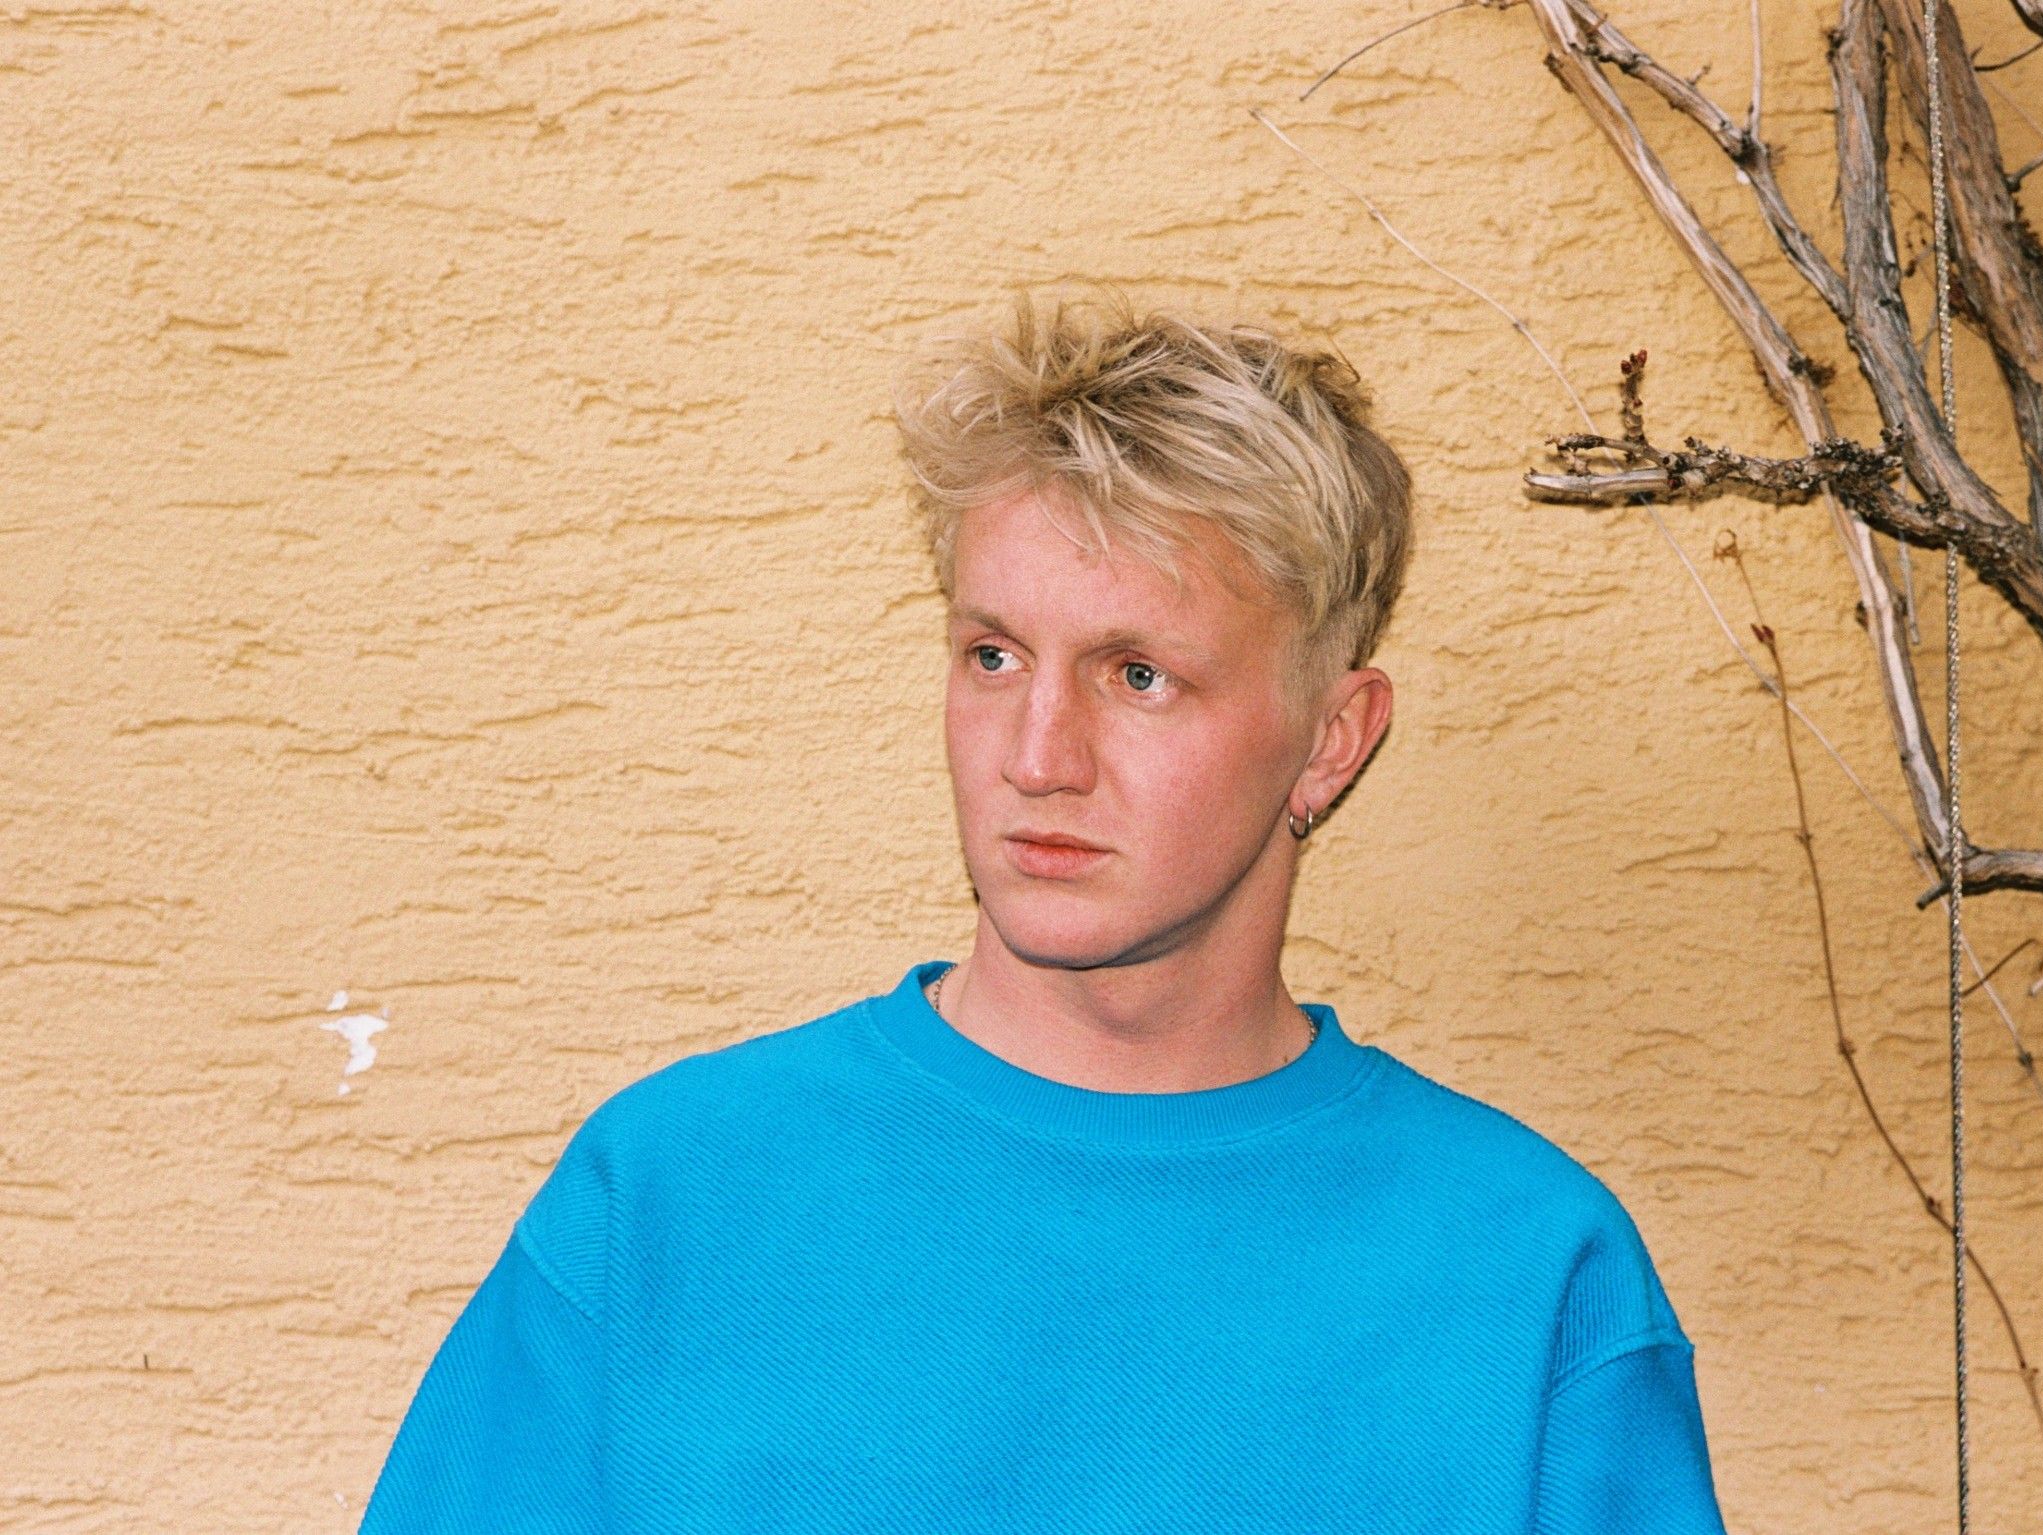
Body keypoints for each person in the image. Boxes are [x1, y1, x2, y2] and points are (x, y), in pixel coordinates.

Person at [357, 292, 1729, 1534]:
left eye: (1138, 675)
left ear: (1331, 739)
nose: (1037, 758)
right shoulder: (670, 1194)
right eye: (994, 656)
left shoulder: (1530, 1274)